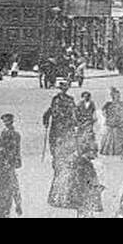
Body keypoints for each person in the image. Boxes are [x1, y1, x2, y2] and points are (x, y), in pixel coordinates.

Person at [43, 80, 78, 208]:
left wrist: (74, 121)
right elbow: (52, 111)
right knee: (56, 151)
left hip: (67, 128)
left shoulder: (70, 99)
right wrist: (46, 118)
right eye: (62, 88)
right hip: (57, 128)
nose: (64, 90)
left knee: (67, 154)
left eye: (66, 88)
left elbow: (74, 113)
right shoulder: (55, 99)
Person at [69, 143, 104, 217]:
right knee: (85, 209)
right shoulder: (84, 164)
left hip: (85, 191)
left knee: (85, 210)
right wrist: (95, 186)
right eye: (94, 152)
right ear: (89, 152)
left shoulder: (83, 162)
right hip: (85, 192)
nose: (95, 155)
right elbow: (87, 178)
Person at [100, 87, 123, 156]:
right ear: (113, 96)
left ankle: (118, 153)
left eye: (119, 96)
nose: (118, 97)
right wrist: (109, 117)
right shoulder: (108, 104)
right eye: (116, 96)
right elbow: (104, 113)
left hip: (120, 126)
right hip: (111, 125)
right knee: (110, 141)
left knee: (119, 141)